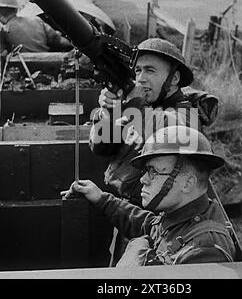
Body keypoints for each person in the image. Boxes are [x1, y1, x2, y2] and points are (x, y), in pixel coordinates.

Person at [61, 125, 236, 266]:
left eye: (153, 172)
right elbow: (151, 227)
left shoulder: (204, 251)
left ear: (187, 183)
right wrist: (101, 198)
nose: (143, 179)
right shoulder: (183, 215)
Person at [89, 37, 217, 207]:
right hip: (126, 209)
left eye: (150, 71)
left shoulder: (185, 114)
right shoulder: (142, 107)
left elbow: (168, 130)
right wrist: (108, 111)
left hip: (155, 219)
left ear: (174, 78)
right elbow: (100, 147)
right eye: (138, 71)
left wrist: (134, 104)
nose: (140, 79)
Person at [0, 0, 73, 70]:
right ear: (16, 9)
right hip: (48, 64)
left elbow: (4, 57)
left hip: (24, 68)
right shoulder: (36, 20)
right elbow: (57, 40)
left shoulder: (5, 30)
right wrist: (74, 46)